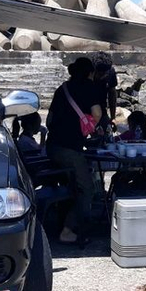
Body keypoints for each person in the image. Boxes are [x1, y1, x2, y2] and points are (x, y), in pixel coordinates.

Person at [46, 57, 103, 244]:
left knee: (71, 186)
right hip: (70, 148)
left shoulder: (62, 89)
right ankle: (69, 230)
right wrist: (90, 127)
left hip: (53, 146)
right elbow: (97, 113)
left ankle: (64, 222)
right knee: (87, 188)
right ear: (90, 73)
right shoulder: (89, 87)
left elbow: (49, 120)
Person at [92, 51, 118, 127]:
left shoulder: (110, 72)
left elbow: (112, 94)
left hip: (102, 109)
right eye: (100, 74)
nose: (102, 76)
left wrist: (113, 117)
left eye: (104, 73)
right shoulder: (84, 74)